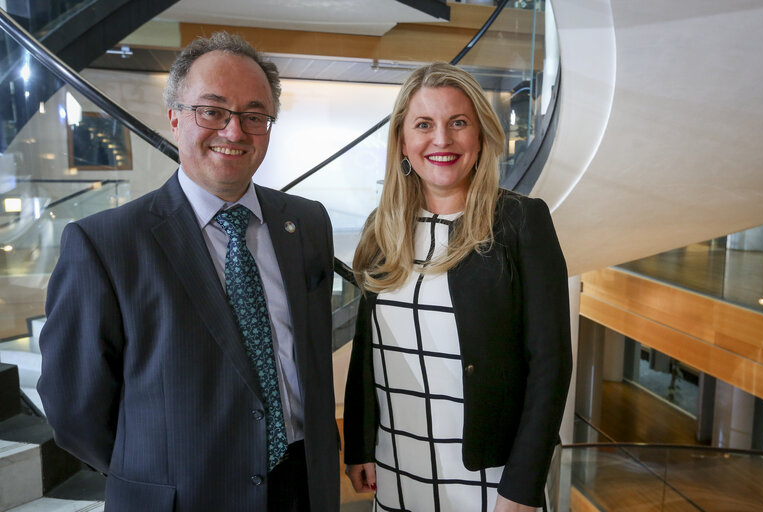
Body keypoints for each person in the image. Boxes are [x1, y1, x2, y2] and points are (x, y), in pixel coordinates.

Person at [37, 32, 339, 511]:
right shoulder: (105, 244)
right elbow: (75, 410)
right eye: (212, 111)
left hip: (303, 487)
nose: (234, 131)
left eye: (254, 116)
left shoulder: (306, 223)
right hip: (185, 497)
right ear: (175, 118)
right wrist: (155, 471)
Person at [343, 62, 572, 512]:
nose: (442, 140)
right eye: (424, 124)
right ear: (403, 142)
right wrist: (358, 444)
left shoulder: (521, 222)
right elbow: (367, 350)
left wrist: (522, 488)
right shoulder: (382, 228)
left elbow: (550, 366)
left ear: (481, 136)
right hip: (396, 466)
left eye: (458, 123)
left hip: (489, 478)